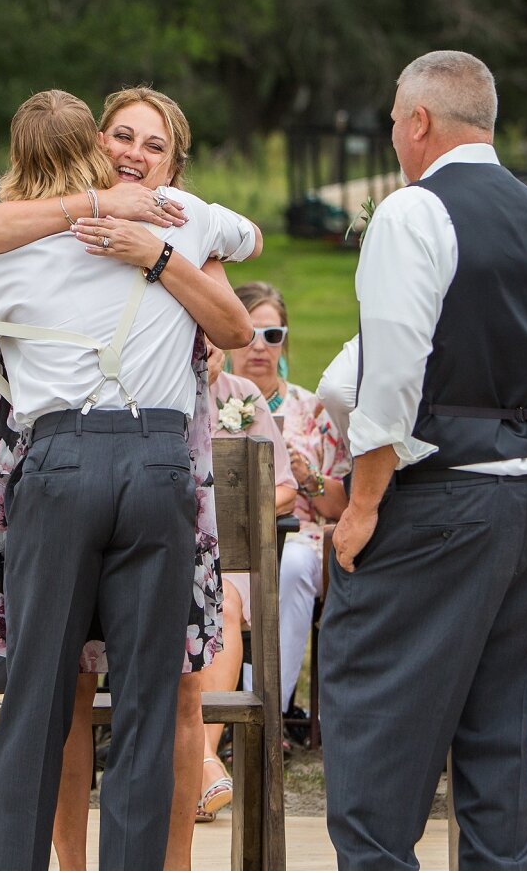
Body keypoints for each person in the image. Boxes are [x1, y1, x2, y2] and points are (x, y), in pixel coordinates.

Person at [0, 89, 258, 870]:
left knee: (38, 696)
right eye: (121, 136)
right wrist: (184, 224)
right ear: (96, 144)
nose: (134, 151)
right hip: (160, 465)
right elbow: (253, 236)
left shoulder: (3, 262)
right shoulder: (188, 218)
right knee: (145, 699)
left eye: (150, 141)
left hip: (60, 465)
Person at [321, 50, 527, 870]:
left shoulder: (412, 214)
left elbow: (392, 374)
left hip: (438, 503)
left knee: (378, 733)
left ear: (418, 122)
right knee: (502, 742)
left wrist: (364, 505)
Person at [226, 281, 352, 739]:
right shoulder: (210, 400)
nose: (260, 348)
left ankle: (266, 718)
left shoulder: (311, 410)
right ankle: (222, 716)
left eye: (273, 336)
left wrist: (305, 477)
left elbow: (340, 503)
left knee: (294, 561)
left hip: (300, 536)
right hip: (224, 537)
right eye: (249, 334)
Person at [193, 339, 296, 823]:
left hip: (230, 553)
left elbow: (285, 489)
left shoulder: (243, 395)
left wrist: (236, 506)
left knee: (224, 600)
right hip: (172, 549)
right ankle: (203, 768)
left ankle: (201, 755)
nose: (209, 352)